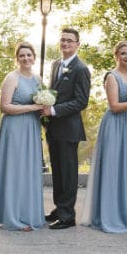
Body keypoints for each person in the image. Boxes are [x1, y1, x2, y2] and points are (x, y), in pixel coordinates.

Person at [81, 42, 127, 233]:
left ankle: (125, 213)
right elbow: (114, 106)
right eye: (123, 53)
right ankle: (109, 215)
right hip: (115, 125)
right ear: (116, 55)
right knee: (113, 168)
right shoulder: (112, 76)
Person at [0, 43, 46, 231]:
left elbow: (44, 100)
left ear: (34, 57)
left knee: (28, 170)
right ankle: (11, 217)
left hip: (32, 128)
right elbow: (5, 107)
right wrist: (33, 108)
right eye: (22, 55)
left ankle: (27, 213)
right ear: (17, 58)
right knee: (14, 170)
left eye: (29, 55)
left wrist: (43, 108)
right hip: (14, 128)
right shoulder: (11, 78)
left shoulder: (38, 79)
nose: (26, 58)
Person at [42, 27, 91, 230]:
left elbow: (81, 101)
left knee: (68, 172)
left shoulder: (81, 69)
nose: (65, 44)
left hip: (69, 128)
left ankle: (67, 215)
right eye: (63, 40)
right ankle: (59, 208)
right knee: (58, 171)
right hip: (53, 128)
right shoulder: (55, 65)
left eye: (70, 41)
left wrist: (53, 110)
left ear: (77, 44)